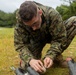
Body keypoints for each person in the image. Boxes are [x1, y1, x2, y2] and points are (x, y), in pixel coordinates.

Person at [14, 1, 76, 74]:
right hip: (35, 40)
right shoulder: (21, 20)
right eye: (30, 26)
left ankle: (56, 58)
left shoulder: (52, 14)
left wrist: (50, 55)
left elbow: (59, 39)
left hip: (52, 36)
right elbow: (19, 44)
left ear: (40, 13)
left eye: (35, 23)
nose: (34, 28)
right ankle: (34, 59)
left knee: (74, 21)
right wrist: (30, 59)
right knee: (29, 67)